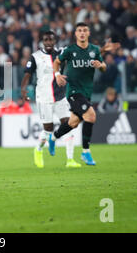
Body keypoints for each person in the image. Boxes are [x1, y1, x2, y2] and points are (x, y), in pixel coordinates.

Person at [48, 23, 108, 166]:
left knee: (73, 123)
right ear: (75, 34)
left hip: (87, 92)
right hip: (74, 91)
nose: (82, 33)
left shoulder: (94, 50)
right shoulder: (69, 50)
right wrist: (57, 75)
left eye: (85, 30)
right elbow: (56, 62)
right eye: (79, 30)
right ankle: (85, 152)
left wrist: (100, 66)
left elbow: (104, 67)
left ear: (88, 33)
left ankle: (53, 138)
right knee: (91, 115)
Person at [21, 31, 81, 168]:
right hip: (44, 97)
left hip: (60, 96)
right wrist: (23, 90)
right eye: (46, 40)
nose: (48, 42)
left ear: (55, 41)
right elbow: (27, 74)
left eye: (51, 40)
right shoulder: (35, 57)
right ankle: (38, 149)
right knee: (48, 129)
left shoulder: (61, 53)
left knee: (69, 125)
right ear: (42, 41)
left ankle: (70, 160)